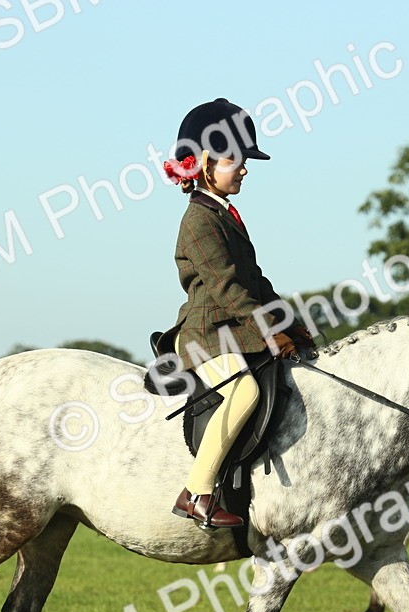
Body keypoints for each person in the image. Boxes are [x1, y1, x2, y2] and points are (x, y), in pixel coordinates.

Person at [161, 98, 314, 528]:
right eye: (235, 159)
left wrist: (289, 322)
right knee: (243, 391)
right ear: (205, 163)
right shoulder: (198, 221)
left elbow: (255, 281)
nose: (244, 168)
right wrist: (269, 330)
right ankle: (198, 491)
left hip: (233, 327)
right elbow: (227, 288)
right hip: (205, 332)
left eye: (245, 160)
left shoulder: (225, 216)